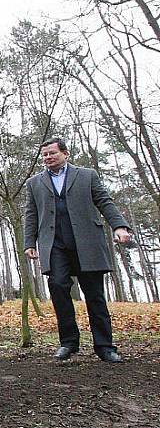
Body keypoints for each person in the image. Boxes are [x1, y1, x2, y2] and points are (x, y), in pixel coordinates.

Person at [24, 137, 132, 363]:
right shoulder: (34, 183)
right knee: (58, 286)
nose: (48, 157)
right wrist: (29, 243)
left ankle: (105, 347)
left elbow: (105, 201)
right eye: (44, 155)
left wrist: (120, 226)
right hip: (54, 244)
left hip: (87, 243)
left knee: (94, 295)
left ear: (66, 153)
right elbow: (31, 215)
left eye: (52, 153)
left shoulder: (87, 175)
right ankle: (69, 343)